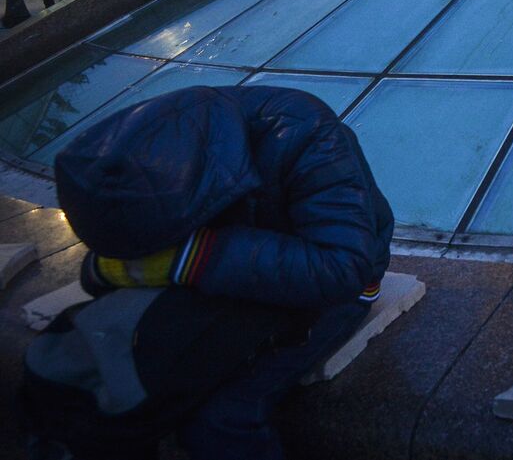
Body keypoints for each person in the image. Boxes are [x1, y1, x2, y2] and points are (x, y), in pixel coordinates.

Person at [26, 85, 393, 460]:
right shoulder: (148, 156)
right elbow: (119, 259)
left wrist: (189, 258)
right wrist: (110, 267)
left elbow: (343, 267)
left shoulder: (303, 132)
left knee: (219, 418)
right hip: (232, 273)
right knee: (127, 383)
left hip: (337, 284)